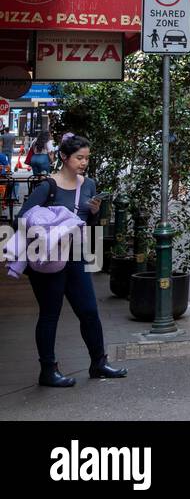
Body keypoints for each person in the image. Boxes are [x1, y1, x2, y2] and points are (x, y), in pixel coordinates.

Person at [15, 135, 127, 387]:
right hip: (49, 258)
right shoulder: (48, 187)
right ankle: (48, 370)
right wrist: (49, 221)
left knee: (89, 310)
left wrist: (96, 215)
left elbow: (88, 226)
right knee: (50, 314)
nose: (84, 162)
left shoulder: (89, 185)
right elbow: (21, 219)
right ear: (64, 157)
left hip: (77, 255)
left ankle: (98, 363)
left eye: (87, 158)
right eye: (79, 157)